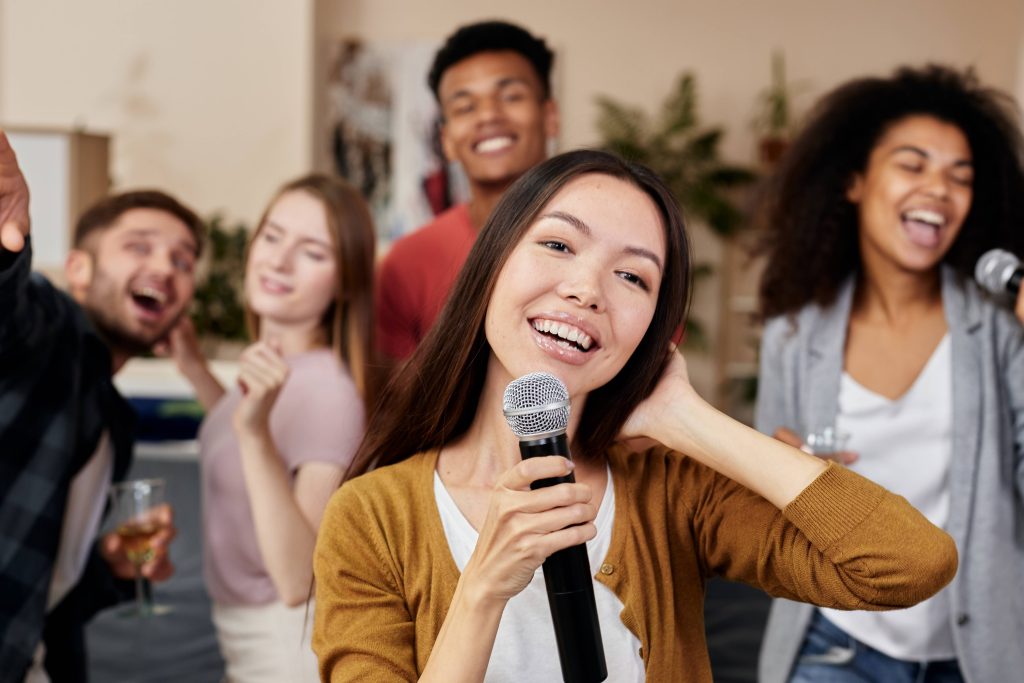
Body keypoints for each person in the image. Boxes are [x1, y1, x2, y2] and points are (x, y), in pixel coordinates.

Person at [311, 149, 958, 682]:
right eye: (560, 244)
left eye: (633, 277)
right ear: (492, 263)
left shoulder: (672, 491)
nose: (587, 289)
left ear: (652, 329)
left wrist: (687, 418)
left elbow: (910, 562)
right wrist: (482, 585)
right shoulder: (370, 517)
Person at [754, 65, 1024, 683]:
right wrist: (780, 475)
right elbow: (764, 515)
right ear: (854, 180)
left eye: (962, 177)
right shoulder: (793, 338)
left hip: (974, 654)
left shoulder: (999, 332)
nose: (940, 189)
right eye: (913, 164)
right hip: (832, 643)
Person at [0, 131, 199, 682]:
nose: (165, 266)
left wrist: (112, 565)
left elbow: (52, 592)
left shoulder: (114, 420)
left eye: (183, 261)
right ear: (80, 269)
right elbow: (8, 311)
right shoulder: (47, 327)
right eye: (139, 246)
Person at [168, 174, 375, 682]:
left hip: (284, 646)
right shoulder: (279, 370)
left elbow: (297, 579)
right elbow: (253, 447)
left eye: (312, 251)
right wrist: (197, 371)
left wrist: (254, 432)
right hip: (245, 636)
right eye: (272, 236)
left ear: (345, 280)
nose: (278, 261)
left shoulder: (329, 392)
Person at [375, 19, 559, 360]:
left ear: (549, 116)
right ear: (446, 140)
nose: (488, 116)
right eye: (465, 107)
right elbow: (399, 408)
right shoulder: (406, 264)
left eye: (511, 96)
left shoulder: (616, 243)